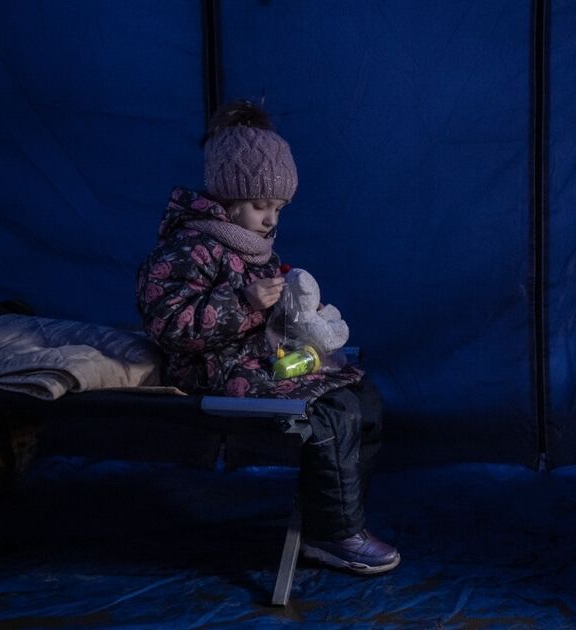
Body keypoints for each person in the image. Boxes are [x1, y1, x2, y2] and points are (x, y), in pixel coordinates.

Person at [136, 100, 399, 575]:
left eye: (278, 208)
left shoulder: (252, 246)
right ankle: (332, 533)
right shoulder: (188, 247)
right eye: (260, 206)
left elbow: (268, 316)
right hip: (212, 369)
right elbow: (169, 325)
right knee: (330, 411)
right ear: (227, 199)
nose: (271, 219)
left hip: (260, 359)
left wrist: (298, 313)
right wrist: (244, 303)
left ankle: (335, 519)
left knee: (365, 399)